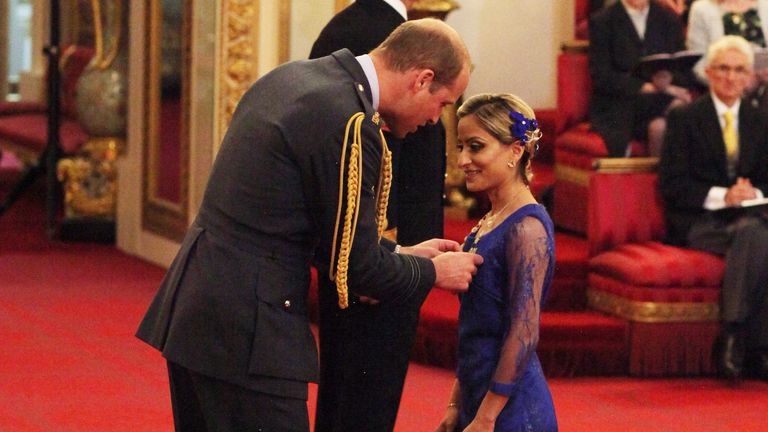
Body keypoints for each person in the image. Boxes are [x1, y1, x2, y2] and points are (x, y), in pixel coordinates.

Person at [135, 18, 483, 431]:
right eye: (443, 104)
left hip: (198, 309)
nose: (435, 120)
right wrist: (433, 272)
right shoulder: (349, 121)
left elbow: (294, 217)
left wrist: (400, 252)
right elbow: (357, 270)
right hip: (250, 331)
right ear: (422, 80)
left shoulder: (295, 77)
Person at [308, 1, 450, 430]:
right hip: (381, 262)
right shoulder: (392, 35)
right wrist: (389, 260)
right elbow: (374, 162)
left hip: (358, 252)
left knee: (343, 390)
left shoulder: (344, 25)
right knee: (365, 401)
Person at [436, 93, 558, 431]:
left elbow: (523, 331)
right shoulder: (489, 220)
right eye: (461, 147)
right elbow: (474, 329)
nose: (463, 160)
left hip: (512, 411)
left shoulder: (527, 228)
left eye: (476, 147)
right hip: (478, 399)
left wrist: (487, 416)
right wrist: (456, 405)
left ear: (516, 151)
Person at [659, 35, 768, 383]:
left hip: (749, 219)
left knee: (753, 233)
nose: (731, 78)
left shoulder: (760, 120)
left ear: (750, 77)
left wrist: (752, 192)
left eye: (739, 70)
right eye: (723, 69)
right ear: (708, 72)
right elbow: (673, 185)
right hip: (700, 221)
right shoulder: (685, 118)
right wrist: (724, 196)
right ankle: (750, 344)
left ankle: (736, 339)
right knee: (757, 236)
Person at [589, 0, 692, 156]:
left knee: (661, 125)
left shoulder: (668, 19)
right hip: (619, 102)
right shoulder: (604, 20)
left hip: (660, 99)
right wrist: (649, 87)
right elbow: (602, 76)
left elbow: (682, 67)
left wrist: (669, 79)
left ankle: (673, 171)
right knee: (678, 108)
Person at [687, 0, 768, 108]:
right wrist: (734, 81)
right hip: (722, 88)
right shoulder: (702, 9)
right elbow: (698, 63)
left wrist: (759, 77)